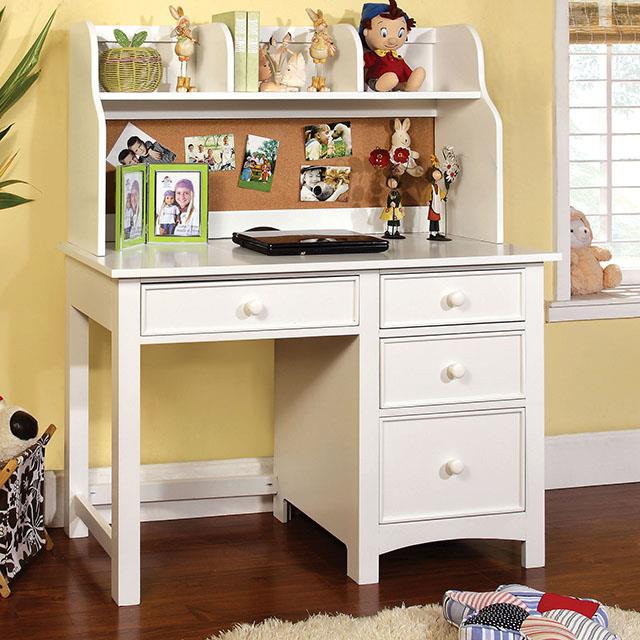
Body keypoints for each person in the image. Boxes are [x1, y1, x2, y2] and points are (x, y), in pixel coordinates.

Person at [425, 164, 451, 241]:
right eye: (436, 173)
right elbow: (428, 193)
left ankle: (436, 232)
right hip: (432, 205)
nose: (438, 174)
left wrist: (443, 197)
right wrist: (428, 200)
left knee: (437, 220)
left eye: (439, 173)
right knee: (433, 220)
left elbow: (440, 193)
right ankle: (432, 233)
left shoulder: (437, 186)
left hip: (437, 205)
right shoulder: (430, 186)